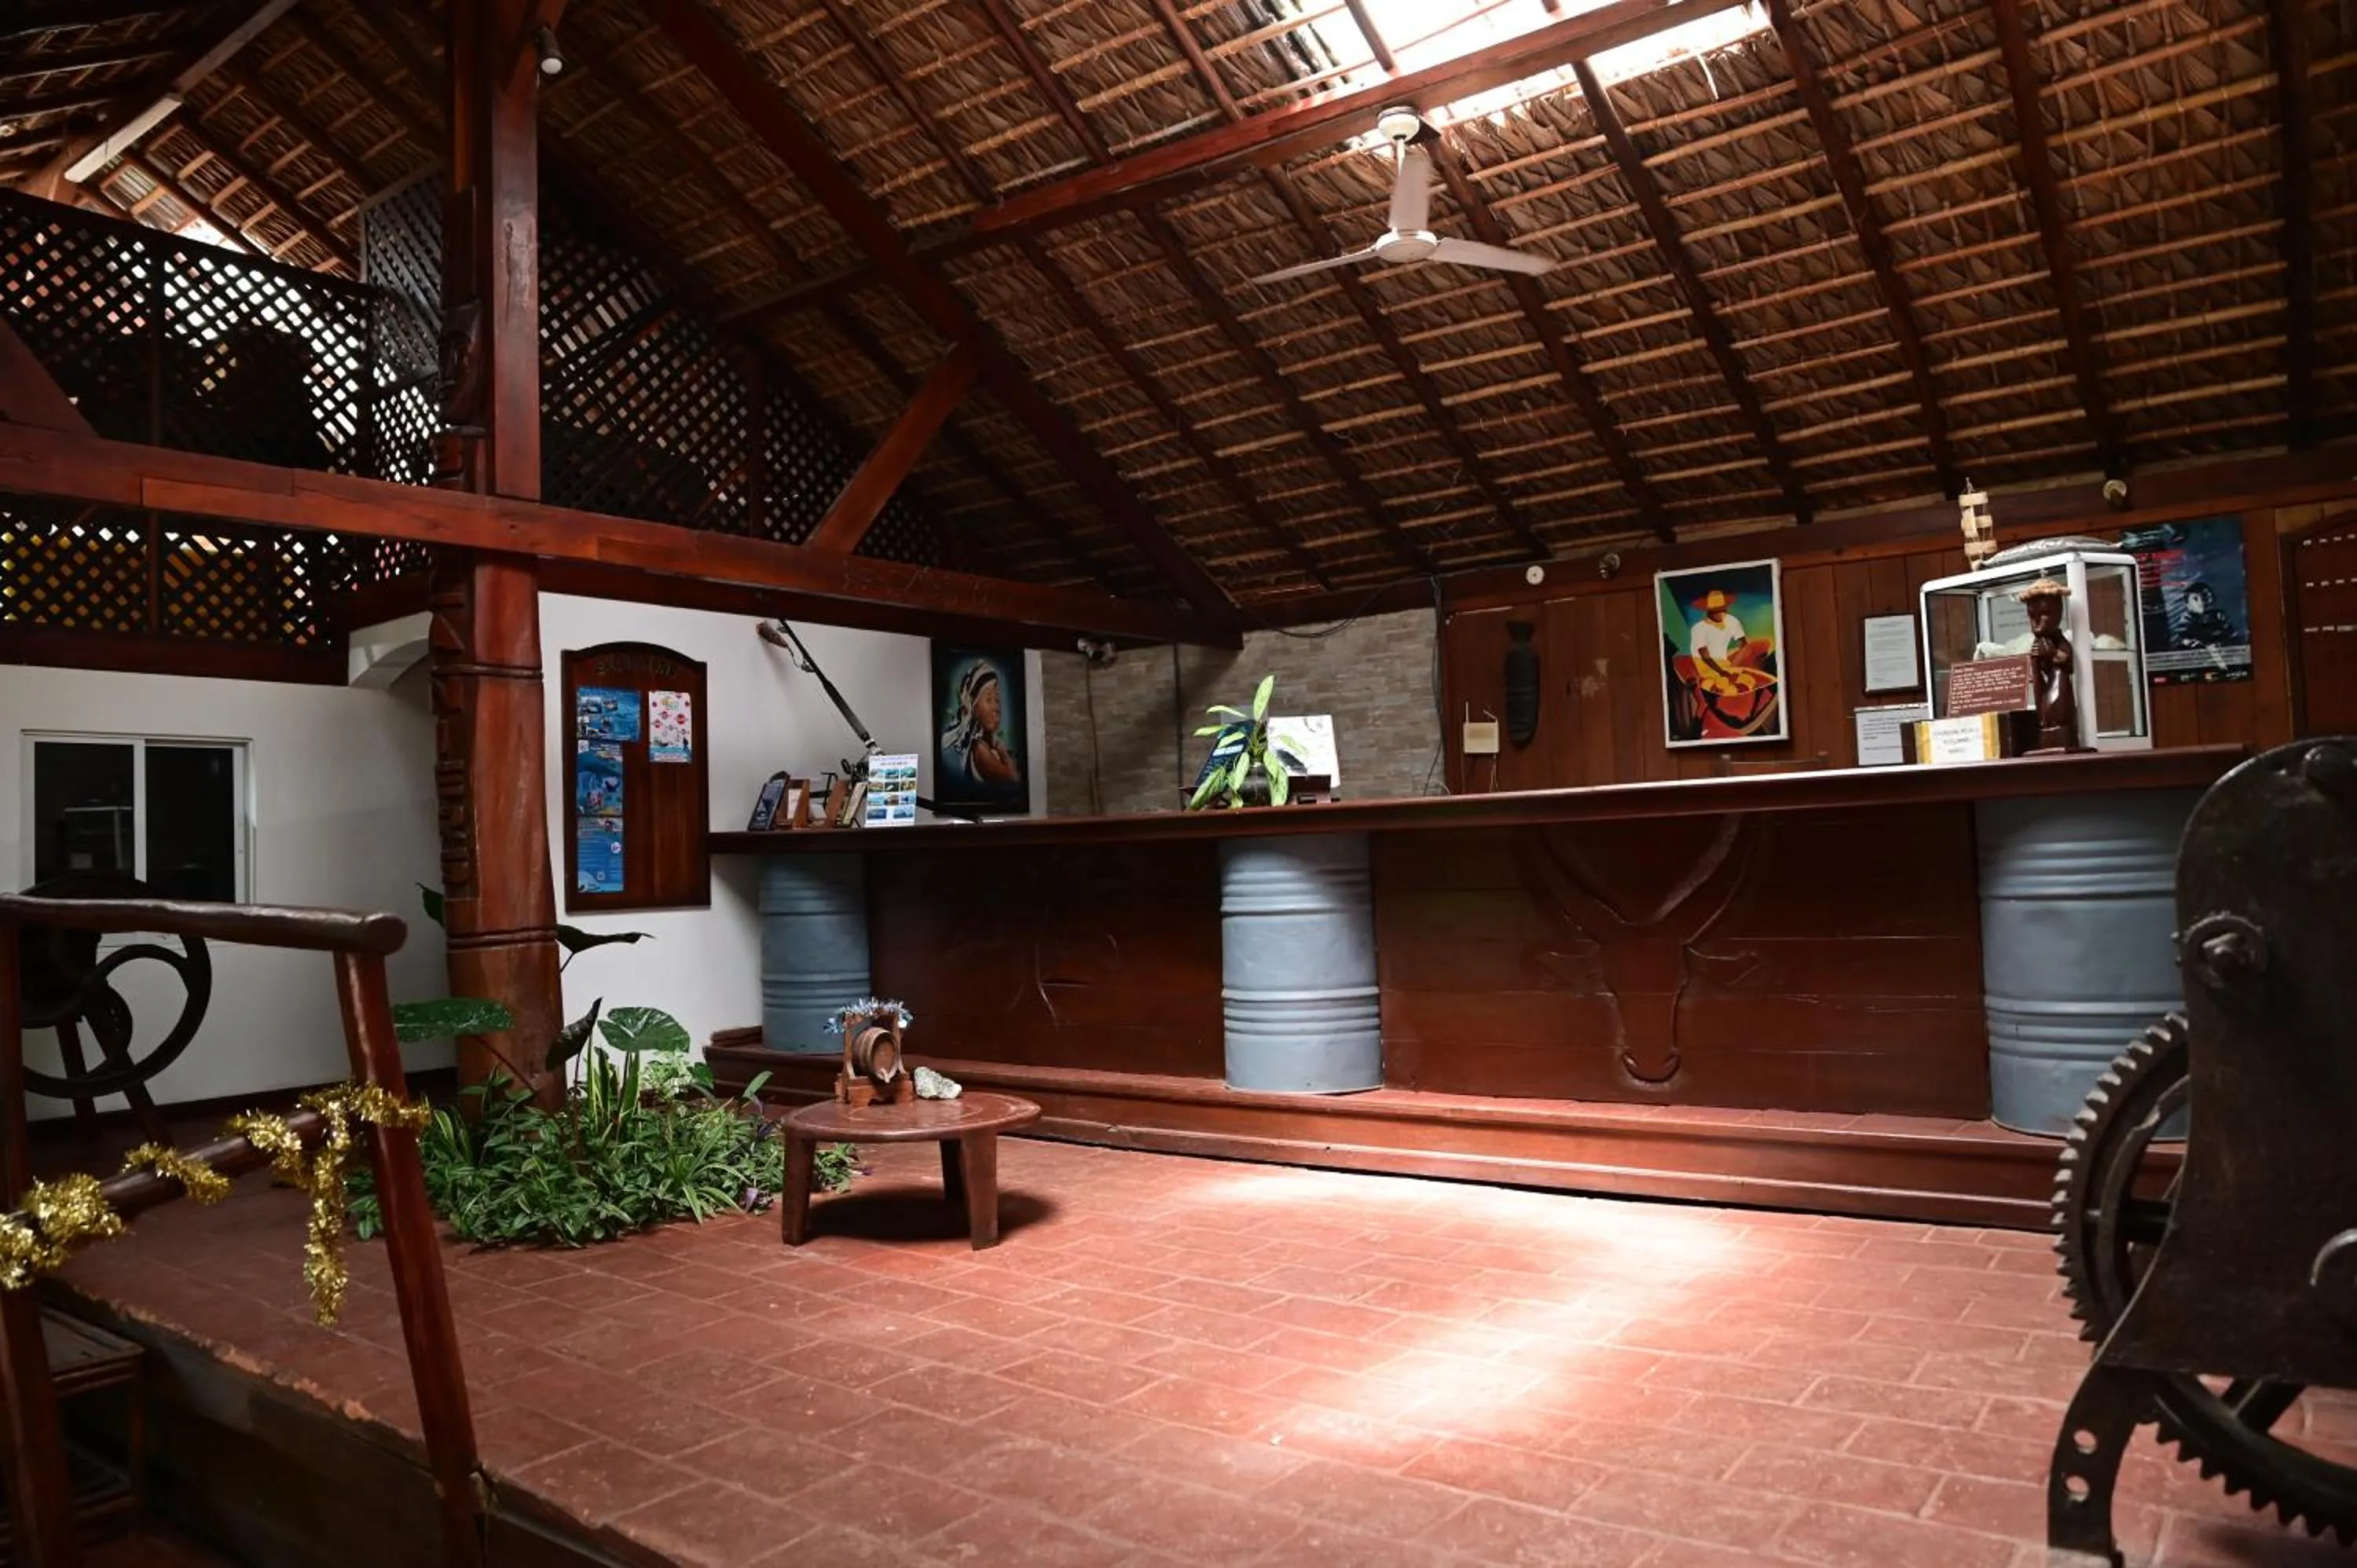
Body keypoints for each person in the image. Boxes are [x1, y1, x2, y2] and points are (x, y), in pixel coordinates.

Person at [941, 662, 1021, 792]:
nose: (996, 708)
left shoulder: (987, 745)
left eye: (997, 700)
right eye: (989, 700)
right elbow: (1013, 777)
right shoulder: (981, 751)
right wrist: (1002, 750)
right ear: (974, 707)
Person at [2174, 581, 2236, 650]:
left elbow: (2232, 634)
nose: (2202, 601)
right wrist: (2190, 642)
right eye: (2195, 599)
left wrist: (2221, 642)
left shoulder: (2219, 615)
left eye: (2205, 596)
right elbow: (2182, 637)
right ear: (2188, 606)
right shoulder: (2187, 619)